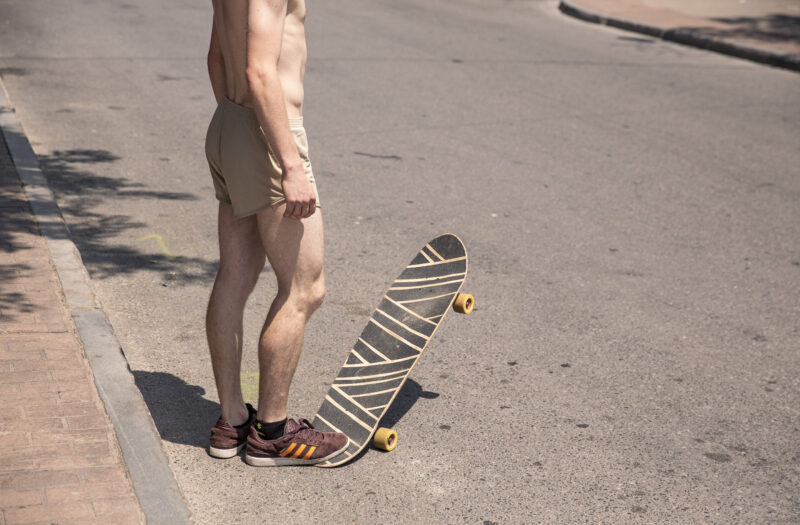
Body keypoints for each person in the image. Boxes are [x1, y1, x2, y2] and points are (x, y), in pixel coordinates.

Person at [203, 0, 348, 466]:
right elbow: (259, 72)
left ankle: (231, 422)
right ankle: (272, 432)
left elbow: (217, 57)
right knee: (305, 288)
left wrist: (236, 130)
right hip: (268, 136)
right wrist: (289, 165)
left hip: (229, 123)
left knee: (235, 275)